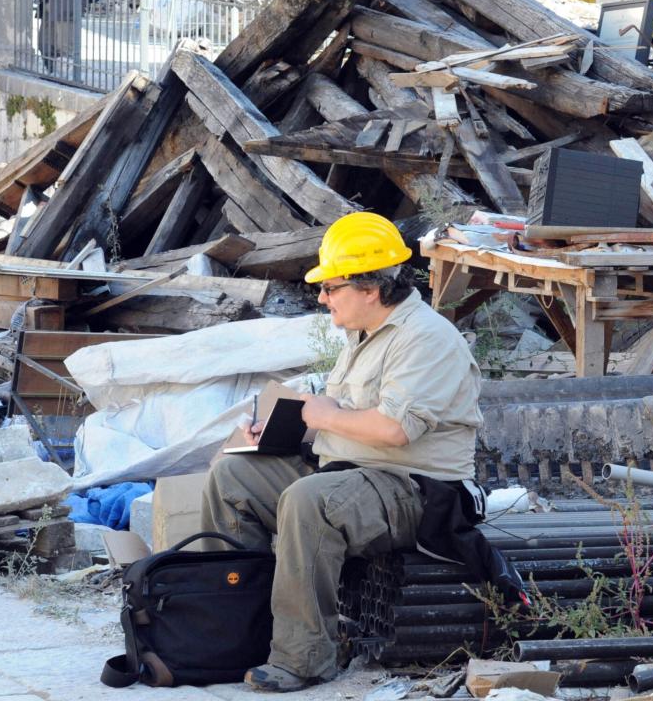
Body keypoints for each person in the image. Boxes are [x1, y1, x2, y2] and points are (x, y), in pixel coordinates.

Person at [200, 212, 484, 693]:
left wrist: (323, 415)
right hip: (353, 470)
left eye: (331, 288)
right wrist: (276, 434)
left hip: (415, 488)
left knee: (311, 500)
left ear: (370, 289)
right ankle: (238, 632)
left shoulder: (426, 339)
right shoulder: (364, 334)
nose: (322, 297)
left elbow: (394, 430)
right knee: (234, 477)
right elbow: (344, 420)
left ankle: (306, 656)